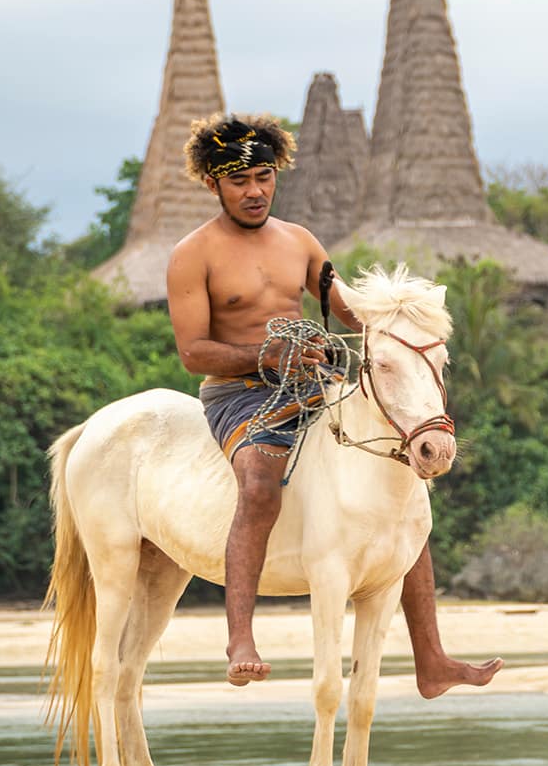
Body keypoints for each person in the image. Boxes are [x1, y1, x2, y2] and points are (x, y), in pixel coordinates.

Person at [164, 111, 502, 696]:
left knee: (403, 492)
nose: (254, 191)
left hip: (315, 383)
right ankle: (240, 637)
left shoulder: (299, 242)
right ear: (213, 183)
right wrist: (265, 359)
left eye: (264, 177)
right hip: (239, 394)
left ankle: (431, 658)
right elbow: (194, 353)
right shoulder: (193, 255)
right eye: (239, 180)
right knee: (259, 480)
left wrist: (404, 320)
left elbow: (352, 313)